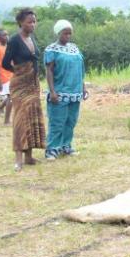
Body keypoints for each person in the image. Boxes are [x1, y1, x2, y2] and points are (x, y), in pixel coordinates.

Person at [2, 8, 46, 171]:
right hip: (20, 84)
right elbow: (5, 62)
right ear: (21, 23)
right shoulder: (14, 40)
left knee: (32, 117)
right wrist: (19, 72)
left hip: (33, 84)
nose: (33, 24)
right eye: (29, 22)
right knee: (20, 120)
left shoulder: (32, 38)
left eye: (34, 21)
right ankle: (18, 158)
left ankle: (29, 156)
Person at [44, 20, 87, 160]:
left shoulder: (74, 48)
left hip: (75, 92)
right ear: (58, 33)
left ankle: (66, 146)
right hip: (59, 91)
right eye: (65, 33)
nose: (68, 36)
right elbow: (49, 71)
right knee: (57, 121)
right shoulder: (51, 49)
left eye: (70, 33)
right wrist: (52, 91)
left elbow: (80, 69)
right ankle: (52, 149)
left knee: (71, 121)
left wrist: (83, 87)